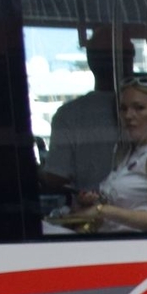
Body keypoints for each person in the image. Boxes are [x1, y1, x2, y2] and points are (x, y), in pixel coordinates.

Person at [76, 79, 147, 233]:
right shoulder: (129, 151)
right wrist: (93, 201)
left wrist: (102, 210)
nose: (128, 115)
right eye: (124, 109)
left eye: (139, 108)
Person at [42, 35, 129, 196]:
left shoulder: (68, 115)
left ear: (90, 62)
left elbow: (56, 177)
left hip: (92, 213)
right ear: (129, 62)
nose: (130, 116)